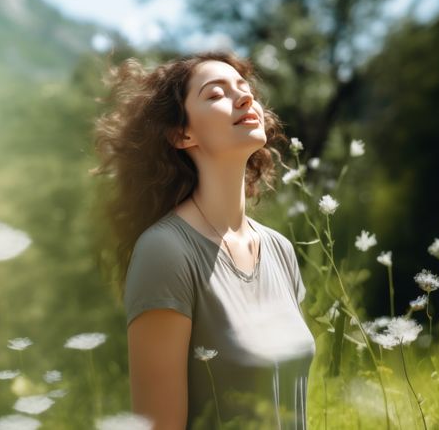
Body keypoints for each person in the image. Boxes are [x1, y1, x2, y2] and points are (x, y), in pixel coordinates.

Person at [92, 51, 316, 429]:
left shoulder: (280, 250)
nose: (244, 98)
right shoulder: (165, 251)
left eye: (245, 89)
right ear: (182, 134)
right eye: (216, 94)